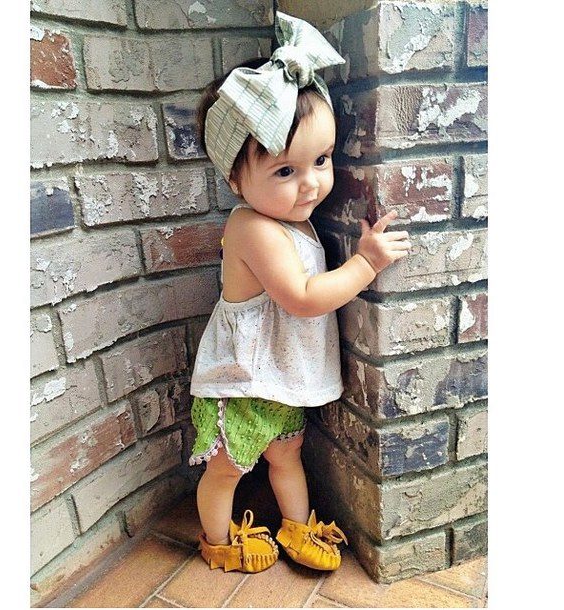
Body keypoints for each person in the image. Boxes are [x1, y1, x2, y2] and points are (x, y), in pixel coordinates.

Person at [188, 12, 412, 574]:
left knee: (287, 453)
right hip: (242, 381)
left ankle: (295, 526)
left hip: (278, 376)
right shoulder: (252, 227)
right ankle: (218, 540)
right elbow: (303, 297)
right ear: (235, 178)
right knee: (227, 468)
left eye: (321, 160)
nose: (311, 182)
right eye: (285, 171)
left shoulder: (293, 220)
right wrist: (366, 263)